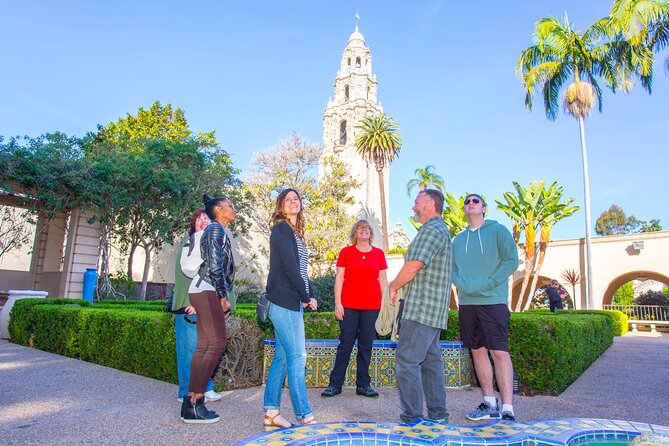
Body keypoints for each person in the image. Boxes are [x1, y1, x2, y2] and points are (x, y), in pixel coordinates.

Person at [452, 193, 519, 422]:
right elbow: (452, 269)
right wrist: (461, 284)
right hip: (468, 303)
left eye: (475, 201)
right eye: (467, 201)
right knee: (477, 351)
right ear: (464, 210)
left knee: (499, 352)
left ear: (484, 208)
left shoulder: (498, 231)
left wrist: (489, 283)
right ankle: (489, 403)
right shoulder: (458, 240)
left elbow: (511, 260)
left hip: (494, 300)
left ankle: (507, 407)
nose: (470, 203)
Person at [388, 189, 452, 424]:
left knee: (407, 360)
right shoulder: (439, 230)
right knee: (430, 363)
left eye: (417, 202)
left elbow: (413, 267)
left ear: (430, 204)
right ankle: (437, 415)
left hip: (421, 309)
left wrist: (393, 286)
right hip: (432, 311)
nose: (413, 206)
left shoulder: (432, 229)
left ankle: (412, 418)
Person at [262, 188, 319, 430]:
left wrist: (308, 294)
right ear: (281, 206)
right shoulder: (282, 228)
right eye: (288, 200)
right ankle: (305, 415)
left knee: (282, 359)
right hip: (285, 302)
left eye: (296, 199)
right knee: (298, 357)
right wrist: (305, 296)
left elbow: (301, 271)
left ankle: (272, 412)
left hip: (289, 302)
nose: (293, 202)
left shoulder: (294, 232)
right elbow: (288, 266)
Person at [181, 195, 237, 424]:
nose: (234, 209)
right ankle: (196, 402)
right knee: (216, 344)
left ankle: (192, 402)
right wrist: (223, 296)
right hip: (207, 289)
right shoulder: (216, 230)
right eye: (230, 206)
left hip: (202, 288)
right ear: (218, 209)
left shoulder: (216, 231)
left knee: (205, 346)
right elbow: (215, 265)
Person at [321, 220, 388, 399]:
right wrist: (338, 303)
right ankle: (335, 385)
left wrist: (386, 305)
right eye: (360, 227)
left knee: (366, 346)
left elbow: (383, 281)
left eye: (366, 227)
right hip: (349, 306)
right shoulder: (346, 252)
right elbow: (339, 279)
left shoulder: (379, 254)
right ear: (355, 232)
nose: (364, 229)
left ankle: (363, 385)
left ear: (370, 232)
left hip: (372, 307)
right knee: (345, 345)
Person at [171, 209, 221, 404]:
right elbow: (188, 276)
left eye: (206, 218)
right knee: (190, 350)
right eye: (198, 219)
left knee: (206, 347)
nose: (202, 221)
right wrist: (192, 302)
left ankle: (204, 387)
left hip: (205, 305)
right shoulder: (190, 244)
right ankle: (186, 391)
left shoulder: (209, 244)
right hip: (189, 306)